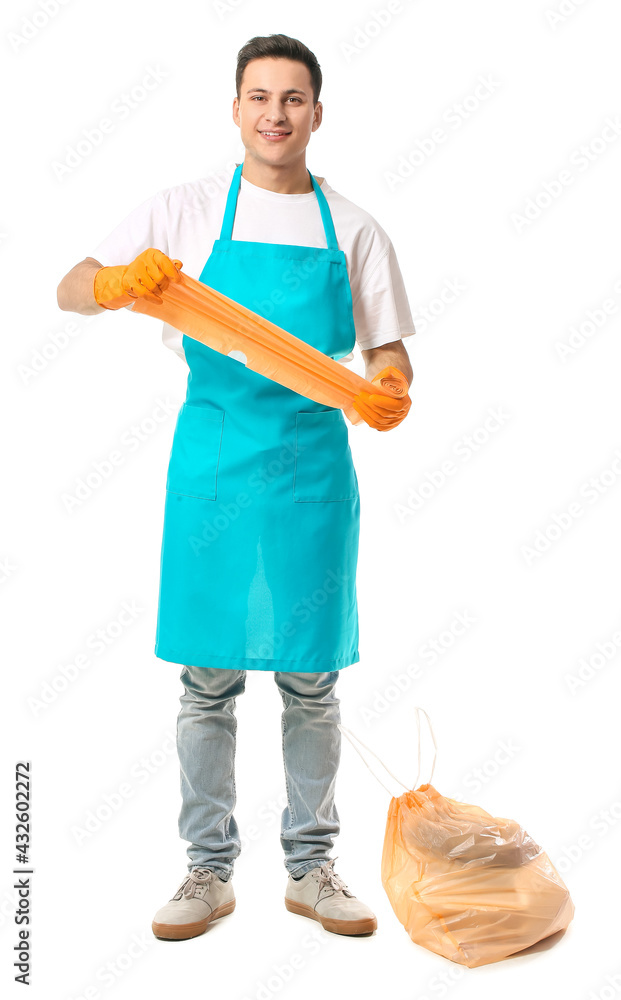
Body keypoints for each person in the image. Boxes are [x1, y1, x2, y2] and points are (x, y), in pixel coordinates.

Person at [57, 32, 415, 941]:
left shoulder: (357, 227)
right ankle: (206, 870)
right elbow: (67, 285)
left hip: (310, 464)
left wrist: (391, 386)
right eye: (260, 96)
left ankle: (311, 868)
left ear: (317, 114)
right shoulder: (183, 209)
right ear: (235, 109)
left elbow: (386, 348)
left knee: (310, 679)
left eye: (293, 99)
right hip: (214, 461)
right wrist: (117, 282)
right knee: (207, 676)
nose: (275, 114)